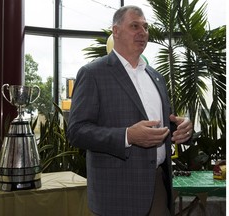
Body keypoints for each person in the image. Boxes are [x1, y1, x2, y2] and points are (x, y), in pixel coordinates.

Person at [67, 5, 193, 216]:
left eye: (145, 27)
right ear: (115, 31)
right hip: (117, 194)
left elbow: (161, 125)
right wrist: (127, 136)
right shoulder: (93, 74)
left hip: (158, 187)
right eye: (135, 26)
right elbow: (76, 132)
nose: (142, 32)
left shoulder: (156, 77)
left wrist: (182, 128)